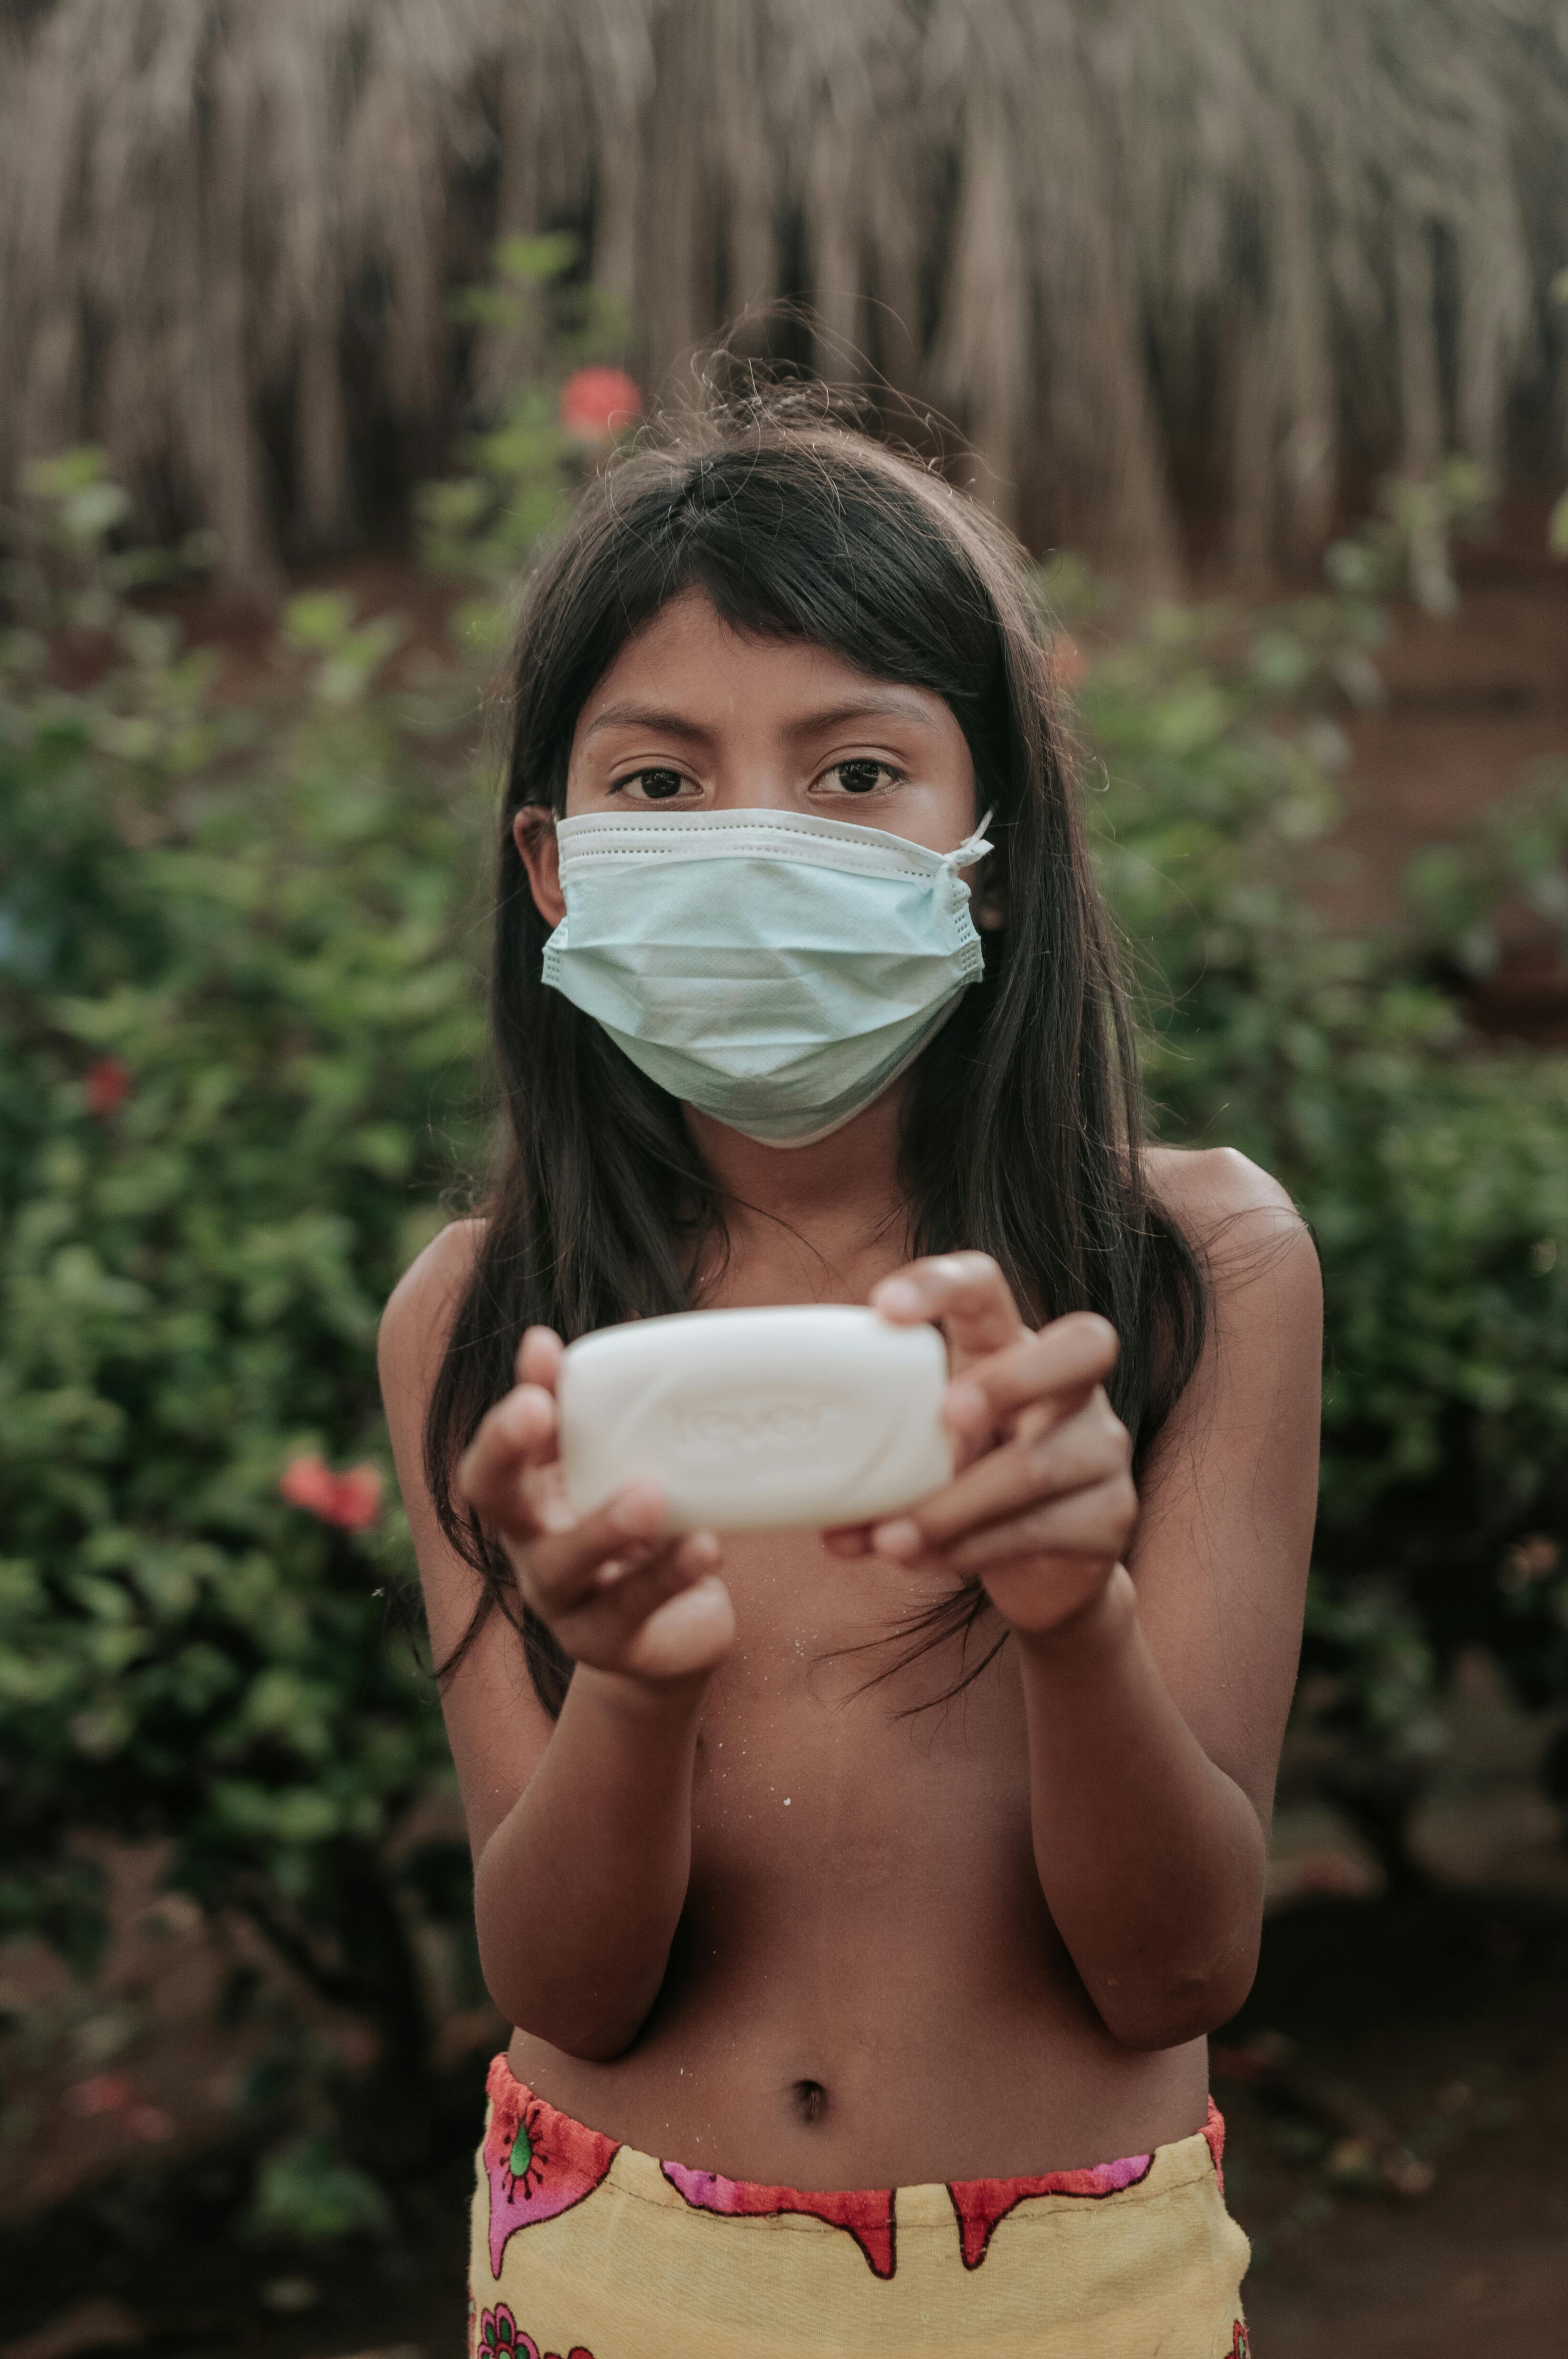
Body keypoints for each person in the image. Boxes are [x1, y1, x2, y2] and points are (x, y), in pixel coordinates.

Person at [379, 403, 1321, 2359]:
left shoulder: (1189, 1277)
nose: (754, 838)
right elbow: (563, 1976)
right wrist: (632, 1689)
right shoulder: (480, 1322)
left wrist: (1076, 1623)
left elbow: (1180, 1970)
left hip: (1078, 2297)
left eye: (858, 769)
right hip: (604, 2280)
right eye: (661, 782)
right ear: (552, 864)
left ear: (989, 856)